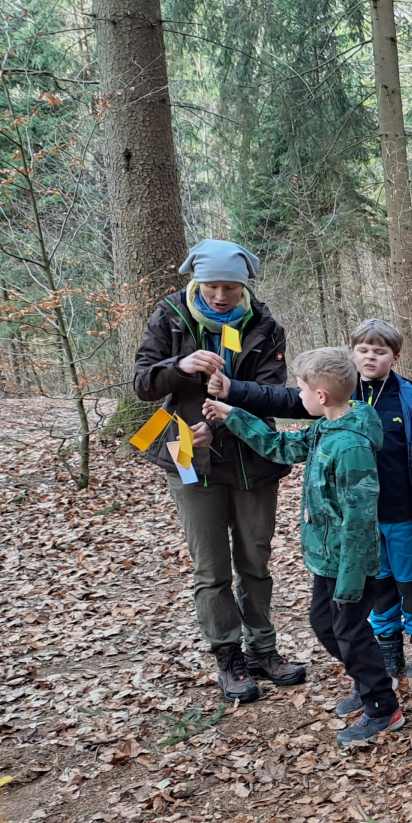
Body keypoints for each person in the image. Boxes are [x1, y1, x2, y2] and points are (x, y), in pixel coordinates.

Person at [210, 319, 412, 691]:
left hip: (403, 512)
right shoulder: (339, 400)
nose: (370, 357)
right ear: (351, 355)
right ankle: (387, 647)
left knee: (411, 582)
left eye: (379, 351)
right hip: (359, 521)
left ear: (395, 357)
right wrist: (233, 393)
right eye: (363, 350)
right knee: (379, 585)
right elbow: (284, 399)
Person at [133, 240, 305, 703]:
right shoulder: (170, 316)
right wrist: (180, 365)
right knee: (210, 566)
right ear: (197, 281)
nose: (221, 296)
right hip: (186, 453)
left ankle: (263, 650)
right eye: (212, 286)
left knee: (255, 560)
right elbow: (143, 384)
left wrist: (225, 415)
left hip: (252, 457)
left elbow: (271, 394)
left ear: (244, 285)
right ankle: (228, 657)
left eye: (230, 287)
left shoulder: (264, 325)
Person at [203, 348, 403, 747]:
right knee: (325, 624)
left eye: (301, 390)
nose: (299, 396)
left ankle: (383, 707)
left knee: (350, 633)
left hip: (349, 565)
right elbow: (281, 447)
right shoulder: (325, 429)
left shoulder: (351, 448)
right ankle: (370, 681)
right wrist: (233, 415)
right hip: (328, 559)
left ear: (321, 396)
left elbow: (360, 522)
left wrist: (350, 583)